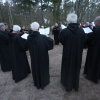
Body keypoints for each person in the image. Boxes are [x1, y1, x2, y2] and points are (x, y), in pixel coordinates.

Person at [59, 13, 85, 92]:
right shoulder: (81, 30)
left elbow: (61, 40)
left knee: (67, 67)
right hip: (77, 54)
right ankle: (74, 84)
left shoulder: (65, 31)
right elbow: (84, 42)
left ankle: (66, 83)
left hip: (67, 53)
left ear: (68, 20)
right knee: (76, 68)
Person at [27, 22, 53, 89]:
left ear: (32, 29)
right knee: (43, 68)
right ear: (38, 28)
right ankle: (44, 81)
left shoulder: (29, 37)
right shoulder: (43, 37)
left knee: (35, 68)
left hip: (34, 57)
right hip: (43, 57)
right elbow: (50, 43)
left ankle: (37, 82)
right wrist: (47, 36)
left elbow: (27, 46)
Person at [83, 16, 100, 83]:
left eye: (95, 22)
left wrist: (87, 36)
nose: (95, 23)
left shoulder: (96, 29)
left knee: (92, 62)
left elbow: (90, 39)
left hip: (94, 49)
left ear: (98, 22)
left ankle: (91, 76)